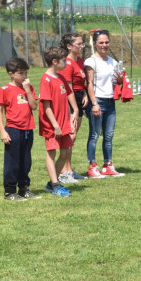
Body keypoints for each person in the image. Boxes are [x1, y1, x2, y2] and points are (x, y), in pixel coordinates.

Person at [0, 57, 40, 200]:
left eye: (26, 73)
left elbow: (34, 106)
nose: (24, 76)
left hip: (28, 129)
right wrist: (3, 131)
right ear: (11, 73)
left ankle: (24, 188)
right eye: (21, 73)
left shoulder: (29, 87)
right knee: (12, 160)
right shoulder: (5, 89)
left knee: (26, 160)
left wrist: (27, 90)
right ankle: (9, 191)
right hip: (13, 129)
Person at [39, 46, 79, 197]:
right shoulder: (46, 79)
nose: (66, 64)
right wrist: (55, 125)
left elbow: (68, 97)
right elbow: (47, 106)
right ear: (55, 62)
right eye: (64, 61)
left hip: (64, 122)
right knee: (51, 153)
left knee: (65, 152)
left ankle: (52, 183)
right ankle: (56, 185)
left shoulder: (60, 77)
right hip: (52, 124)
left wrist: (72, 114)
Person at [84, 29, 125, 178]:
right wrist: (94, 103)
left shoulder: (112, 61)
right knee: (94, 134)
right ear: (95, 44)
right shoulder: (90, 61)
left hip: (110, 101)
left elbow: (115, 81)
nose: (104, 45)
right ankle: (92, 166)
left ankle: (107, 165)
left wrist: (119, 80)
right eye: (101, 42)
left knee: (109, 136)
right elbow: (89, 84)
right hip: (98, 100)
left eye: (106, 42)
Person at [59, 33, 88, 183]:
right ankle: (64, 171)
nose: (82, 46)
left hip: (78, 97)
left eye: (82, 44)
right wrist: (74, 108)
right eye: (79, 44)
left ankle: (69, 169)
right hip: (70, 100)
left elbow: (81, 81)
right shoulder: (67, 63)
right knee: (70, 136)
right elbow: (68, 87)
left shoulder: (80, 60)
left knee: (74, 135)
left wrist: (84, 94)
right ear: (69, 46)